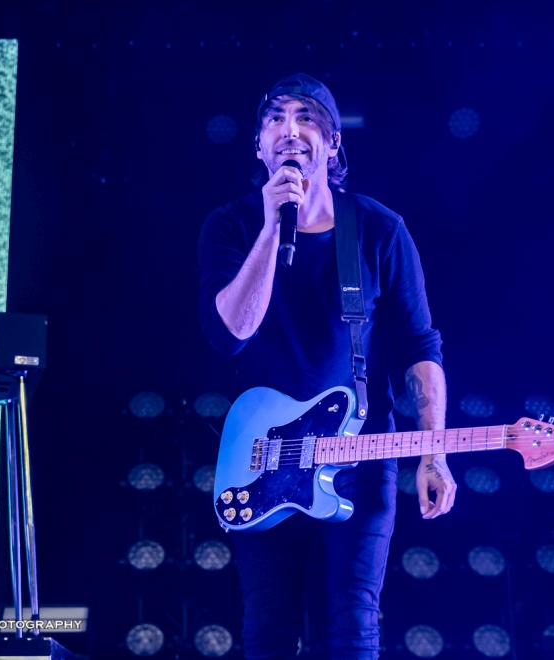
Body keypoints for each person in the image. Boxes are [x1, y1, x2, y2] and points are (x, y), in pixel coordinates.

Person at [197, 74, 457, 659]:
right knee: (268, 629)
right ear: (259, 147)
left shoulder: (380, 229)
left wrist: (433, 452)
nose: (290, 129)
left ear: (334, 143)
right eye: (275, 119)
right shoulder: (231, 226)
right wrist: (272, 227)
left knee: (353, 628)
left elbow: (420, 348)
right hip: (260, 458)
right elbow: (230, 334)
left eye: (307, 117)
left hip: (361, 456)